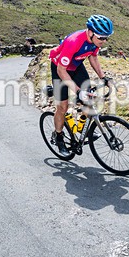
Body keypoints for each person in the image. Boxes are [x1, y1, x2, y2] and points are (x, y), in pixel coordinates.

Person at [49, 14, 115, 154]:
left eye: (106, 38)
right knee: (63, 107)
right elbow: (61, 71)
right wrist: (78, 91)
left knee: (90, 97)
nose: (104, 41)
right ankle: (58, 136)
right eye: (101, 37)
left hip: (76, 67)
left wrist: (104, 78)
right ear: (90, 32)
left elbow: (93, 57)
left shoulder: (94, 42)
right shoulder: (74, 41)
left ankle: (80, 128)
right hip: (59, 69)